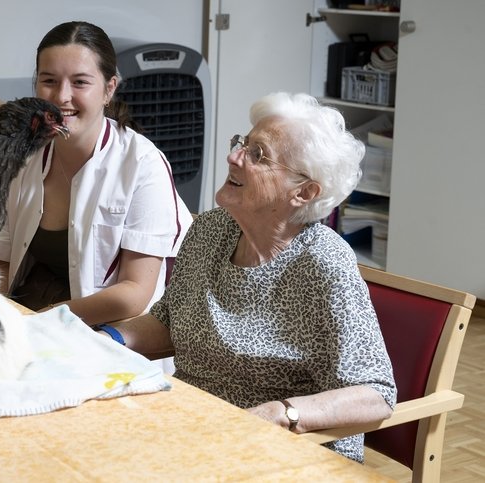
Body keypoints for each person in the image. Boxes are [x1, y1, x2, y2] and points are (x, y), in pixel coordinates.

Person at [94, 92, 396, 463]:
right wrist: (106, 339)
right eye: (243, 143)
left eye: (258, 155)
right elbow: (171, 321)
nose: (234, 157)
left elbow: (375, 394)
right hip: (195, 426)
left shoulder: (323, 264)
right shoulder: (209, 229)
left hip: (289, 449)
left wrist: (282, 413)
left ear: (303, 192)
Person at [0, 21, 192, 328]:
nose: (62, 96)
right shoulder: (25, 156)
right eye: (49, 80)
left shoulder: (143, 165)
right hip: (34, 315)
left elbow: (132, 295)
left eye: (80, 82)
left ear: (109, 89)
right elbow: (1, 260)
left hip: (111, 331)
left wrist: (40, 324)